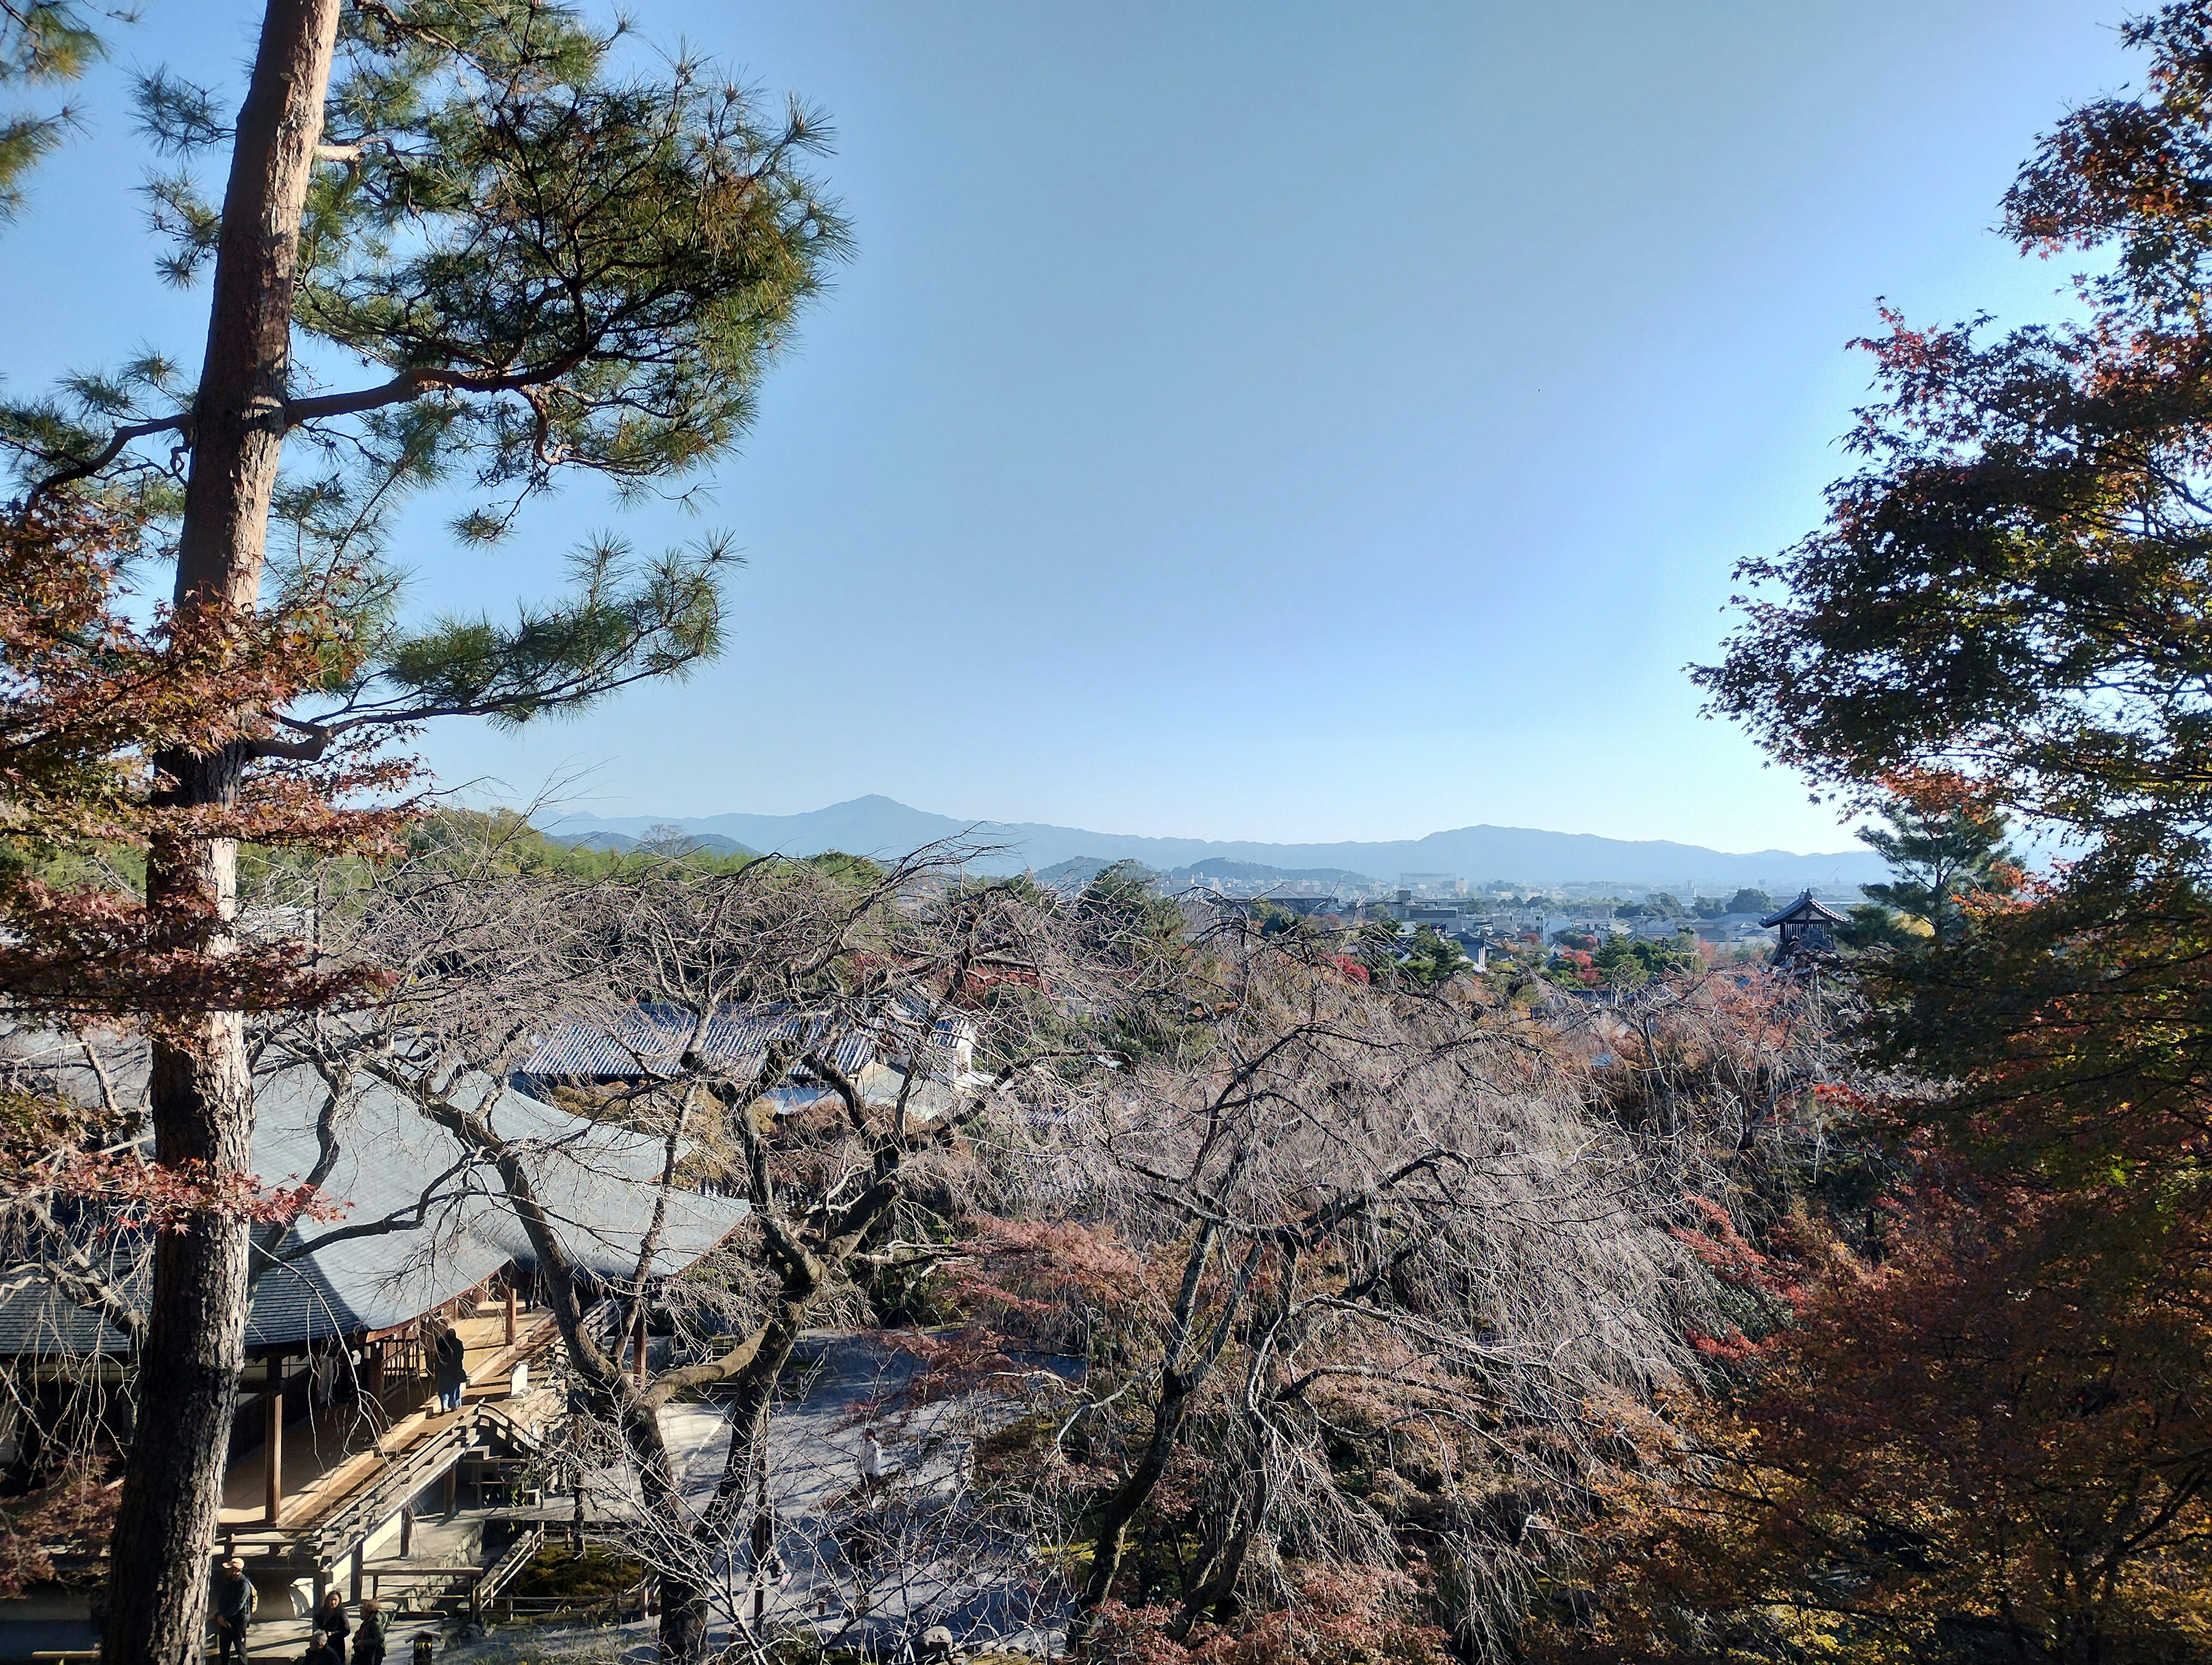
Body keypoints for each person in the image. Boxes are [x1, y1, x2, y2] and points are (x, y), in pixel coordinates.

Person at [210, 1556, 254, 1665]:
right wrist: (221, 1615)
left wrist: (225, 1616)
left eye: (229, 1568)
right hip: (224, 1620)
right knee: (224, 1649)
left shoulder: (244, 1585)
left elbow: (239, 1604)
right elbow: (221, 1599)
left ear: (236, 1570)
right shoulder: (227, 1582)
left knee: (240, 1648)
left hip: (239, 1621)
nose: (226, 1570)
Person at [434, 1324, 467, 1414]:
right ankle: (453, 1405)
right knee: (454, 1388)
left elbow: (438, 1356)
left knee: (444, 1389)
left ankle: (444, 1406)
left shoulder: (442, 1344)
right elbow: (461, 1356)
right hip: (455, 1370)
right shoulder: (458, 1344)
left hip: (445, 1370)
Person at [313, 1588, 350, 1662]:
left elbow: (347, 1631)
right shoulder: (322, 1612)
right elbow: (318, 1624)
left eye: (335, 1600)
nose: (333, 1602)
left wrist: (333, 1634)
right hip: (323, 1645)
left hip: (337, 1645)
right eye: (331, 1600)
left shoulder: (342, 1613)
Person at [353, 1598, 388, 1665]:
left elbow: (380, 1639)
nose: (361, 1612)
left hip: (373, 1654)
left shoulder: (375, 1623)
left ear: (369, 1611)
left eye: (363, 1610)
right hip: (365, 1653)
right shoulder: (367, 1621)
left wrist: (363, 1642)